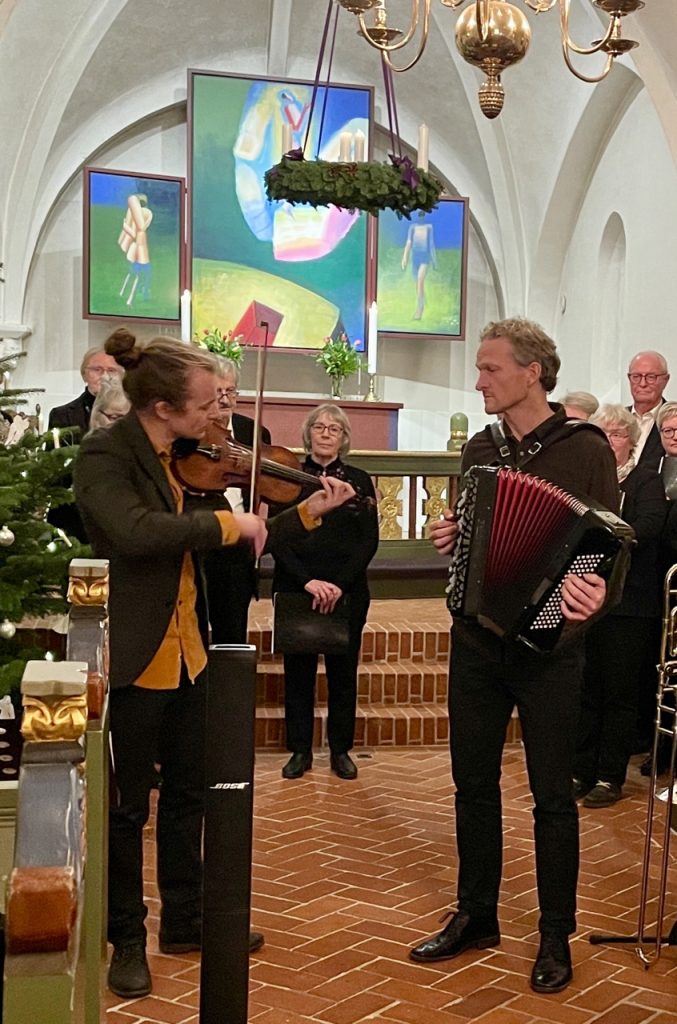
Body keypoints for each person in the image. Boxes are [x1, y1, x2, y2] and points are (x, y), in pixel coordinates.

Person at [73, 334, 355, 1000]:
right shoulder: (105, 456)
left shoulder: (185, 457)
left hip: (187, 651)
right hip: (134, 654)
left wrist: (303, 514)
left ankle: (184, 920)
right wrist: (231, 527)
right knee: (126, 810)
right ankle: (127, 937)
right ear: (164, 407)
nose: (215, 420)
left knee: (188, 795)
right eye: (204, 406)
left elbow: (234, 545)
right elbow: (135, 531)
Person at [409, 318, 619, 994]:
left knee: (552, 797)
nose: (478, 381)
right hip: (476, 639)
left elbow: (609, 550)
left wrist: (594, 597)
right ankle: (477, 914)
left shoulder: (585, 449)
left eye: (489, 368)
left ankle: (555, 932)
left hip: (549, 649)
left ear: (532, 372)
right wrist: (453, 537)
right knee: (471, 785)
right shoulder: (480, 448)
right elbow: (471, 533)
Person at [271, 404, 379, 781]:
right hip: (297, 586)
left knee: (343, 674)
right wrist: (307, 582)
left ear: (344, 437)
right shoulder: (288, 477)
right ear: (308, 434)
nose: (326, 433)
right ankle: (300, 750)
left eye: (335, 428)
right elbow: (277, 536)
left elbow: (368, 540)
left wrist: (339, 585)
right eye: (319, 427)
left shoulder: (359, 480)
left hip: (346, 589)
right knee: (298, 674)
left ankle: (340, 750)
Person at [573, 405, 665, 806]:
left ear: (631, 440)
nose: (610, 441)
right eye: (604, 434)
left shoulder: (646, 480)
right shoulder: (588, 479)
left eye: (617, 434)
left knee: (619, 692)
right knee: (587, 687)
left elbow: (649, 526)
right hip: (588, 598)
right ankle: (581, 770)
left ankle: (610, 776)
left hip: (630, 601)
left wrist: (606, 539)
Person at [202, 356, 271, 646]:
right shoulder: (193, 431)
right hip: (201, 540)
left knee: (232, 633)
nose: (224, 399)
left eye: (230, 391)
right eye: (217, 392)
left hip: (237, 549)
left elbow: (265, 486)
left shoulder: (254, 433)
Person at [48, 342, 123, 434]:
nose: (105, 376)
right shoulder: (62, 415)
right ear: (84, 374)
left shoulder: (131, 413)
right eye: (97, 369)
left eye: (111, 370)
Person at [627, 350, 670, 471]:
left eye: (651, 377)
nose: (642, 383)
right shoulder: (616, 420)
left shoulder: (673, 421)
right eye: (636, 377)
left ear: (666, 380)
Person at [401, 211, 437, 320]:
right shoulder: (413, 227)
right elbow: (408, 243)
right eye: (420, 215)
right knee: (417, 284)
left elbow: (431, 243)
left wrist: (434, 261)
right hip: (415, 258)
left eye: (422, 215)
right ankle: (422, 301)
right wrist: (405, 258)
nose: (421, 217)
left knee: (420, 280)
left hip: (425, 258)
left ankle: (419, 310)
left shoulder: (429, 227)